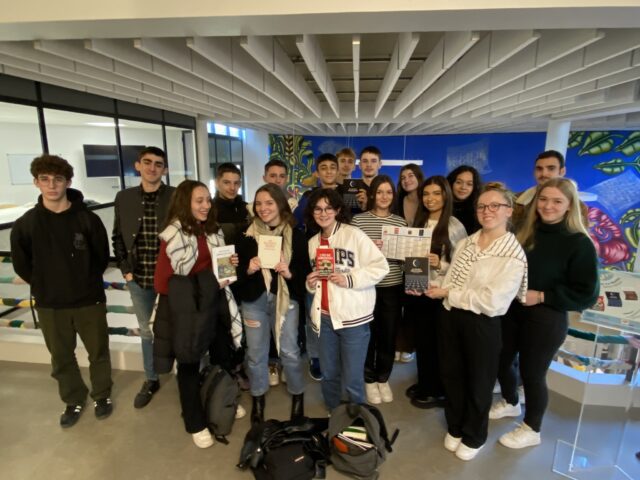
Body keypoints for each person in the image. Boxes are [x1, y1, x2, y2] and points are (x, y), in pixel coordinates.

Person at [491, 178, 599, 449]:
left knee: (532, 373)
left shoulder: (579, 243)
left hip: (547, 317)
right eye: (543, 199)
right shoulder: (526, 233)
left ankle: (532, 428)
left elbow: (586, 293)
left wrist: (542, 296)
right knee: (501, 360)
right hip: (513, 311)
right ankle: (511, 402)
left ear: (569, 206)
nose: (548, 206)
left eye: (556, 201)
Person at [426, 182, 528, 461]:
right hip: (450, 316)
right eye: (482, 206)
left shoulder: (513, 254)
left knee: (479, 381)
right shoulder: (466, 243)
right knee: (451, 374)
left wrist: (450, 292)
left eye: (495, 205)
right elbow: (451, 279)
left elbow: (493, 301)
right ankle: (456, 426)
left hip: (482, 324)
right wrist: (436, 281)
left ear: (509, 210)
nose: (487, 211)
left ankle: (475, 434)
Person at [11, 154, 113, 428]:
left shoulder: (88, 220)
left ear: (68, 181)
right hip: (49, 304)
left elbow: (100, 258)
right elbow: (21, 263)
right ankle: (73, 399)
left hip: (88, 300)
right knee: (61, 357)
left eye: (57, 179)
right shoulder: (26, 223)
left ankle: (102, 395)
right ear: (36, 182)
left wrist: (84, 281)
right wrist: (45, 285)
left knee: (99, 352)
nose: (52, 185)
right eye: (44, 179)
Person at [153, 180, 242, 448]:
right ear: (185, 203)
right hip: (184, 312)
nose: (205, 206)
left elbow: (214, 268)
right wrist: (213, 280)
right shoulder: (173, 235)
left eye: (207, 200)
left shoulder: (212, 230)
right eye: (199, 201)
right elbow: (168, 282)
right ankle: (195, 422)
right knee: (189, 364)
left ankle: (224, 398)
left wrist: (229, 265)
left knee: (222, 355)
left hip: (214, 305)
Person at [304, 189, 389, 411]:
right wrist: (310, 284)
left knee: (352, 378)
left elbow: (381, 267)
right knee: (329, 373)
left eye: (328, 208)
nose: (323, 213)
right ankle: (335, 414)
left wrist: (349, 279)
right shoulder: (313, 242)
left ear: (338, 210)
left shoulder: (354, 235)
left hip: (353, 319)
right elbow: (319, 281)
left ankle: (355, 420)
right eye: (318, 209)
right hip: (324, 318)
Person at [235, 184, 310, 424]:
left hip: (285, 299)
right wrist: (248, 268)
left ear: (280, 204)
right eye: (259, 203)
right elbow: (233, 274)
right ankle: (258, 396)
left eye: (269, 202)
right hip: (254, 301)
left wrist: (289, 273)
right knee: (256, 354)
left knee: (289, 351)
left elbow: (304, 274)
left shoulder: (296, 235)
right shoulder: (245, 235)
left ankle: (298, 394)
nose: (263, 208)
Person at [112, 146, 175, 408]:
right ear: (138, 165)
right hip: (138, 278)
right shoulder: (124, 198)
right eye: (147, 163)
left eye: (158, 164)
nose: (152, 168)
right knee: (147, 331)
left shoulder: (175, 196)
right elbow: (117, 236)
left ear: (165, 169)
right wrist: (126, 270)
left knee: (179, 328)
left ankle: (186, 375)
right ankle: (151, 378)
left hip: (170, 278)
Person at [405, 176, 467, 409]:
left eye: (436, 194)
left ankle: (438, 390)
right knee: (422, 341)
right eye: (426, 194)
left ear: (446, 196)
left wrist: (439, 264)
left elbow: (462, 266)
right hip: (418, 290)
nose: (430, 199)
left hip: (439, 293)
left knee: (439, 344)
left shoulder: (454, 226)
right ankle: (425, 382)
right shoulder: (417, 222)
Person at [352, 175, 407, 404]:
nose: (384, 196)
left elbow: (408, 259)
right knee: (368, 335)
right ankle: (368, 379)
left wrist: (402, 253)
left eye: (389, 192)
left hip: (392, 287)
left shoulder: (401, 223)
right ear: (372, 193)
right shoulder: (358, 222)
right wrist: (370, 251)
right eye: (380, 191)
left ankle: (383, 377)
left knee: (388, 335)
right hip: (366, 289)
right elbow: (351, 258)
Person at [395, 163, 426, 363]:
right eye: (403, 177)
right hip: (398, 257)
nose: (407, 180)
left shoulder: (427, 202)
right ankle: (398, 343)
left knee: (415, 304)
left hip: (420, 259)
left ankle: (409, 346)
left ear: (419, 177)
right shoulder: (397, 202)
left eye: (411, 175)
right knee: (398, 302)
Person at [513, 150, 588, 231]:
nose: (544, 174)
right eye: (539, 169)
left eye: (551, 168)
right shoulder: (516, 199)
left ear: (562, 171)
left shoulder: (579, 206)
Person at [213, 162, 252, 246]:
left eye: (236, 183)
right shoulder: (209, 209)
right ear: (216, 183)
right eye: (226, 183)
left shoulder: (247, 208)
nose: (232, 188)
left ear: (240, 184)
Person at [447, 165, 482, 235]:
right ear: (451, 183)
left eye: (469, 184)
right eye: (458, 182)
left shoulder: (479, 210)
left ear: (474, 187)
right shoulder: (441, 206)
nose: (463, 187)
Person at [355, 146, 383, 212]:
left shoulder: (387, 190)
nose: (369, 165)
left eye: (373, 161)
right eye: (365, 161)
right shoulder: (351, 188)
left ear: (380, 164)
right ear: (359, 165)